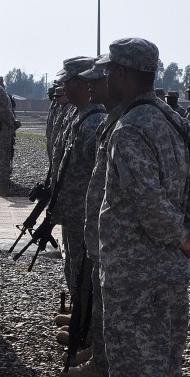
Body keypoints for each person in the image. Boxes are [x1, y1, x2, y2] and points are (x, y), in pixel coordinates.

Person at [97, 38, 190, 376]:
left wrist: (182, 238)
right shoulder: (172, 120)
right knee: (166, 366)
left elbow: (148, 201)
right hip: (171, 275)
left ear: (122, 73)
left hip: (137, 280)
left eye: (108, 71)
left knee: (134, 367)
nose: (105, 79)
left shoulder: (130, 129)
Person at [62, 58, 120, 376]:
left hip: (111, 235)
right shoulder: (106, 121)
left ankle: (102, 360)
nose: (91, 85)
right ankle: (99, 354)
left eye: (98, 79)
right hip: (90, 224)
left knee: (102, 295)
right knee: (92, 288)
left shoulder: (116, 125)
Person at [50, 57, 106, 295]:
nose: (62, 88)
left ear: (81, 83)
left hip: (85, 216)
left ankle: (83, 325)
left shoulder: (94, 122)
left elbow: (103, 180)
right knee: (74, 263)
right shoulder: (77, 115)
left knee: (84, 270)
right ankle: (77, 315)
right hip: (73, 212)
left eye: (67, 82)